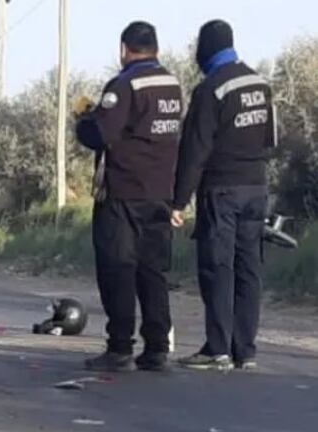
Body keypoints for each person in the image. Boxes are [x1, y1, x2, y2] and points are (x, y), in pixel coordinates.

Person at [74, 21, 183, 372]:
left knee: (117, 269)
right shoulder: (172, 84)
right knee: (152, 271)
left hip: (123, 192)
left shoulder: (124, 85)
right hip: (160, 193)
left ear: (124, 49)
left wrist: (84, 118)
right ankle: (156, 347)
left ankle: (120, 346)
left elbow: (100, 134)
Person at [172, 20, 276, 372]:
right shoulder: (260, 84)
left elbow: (194, 150)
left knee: (218, 268)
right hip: (256, 188)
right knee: (249, 269)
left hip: (222, 190)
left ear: (206, 48)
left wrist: (178, 200)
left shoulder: (211, 89)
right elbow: (269, 139)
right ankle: (245, 350)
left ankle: (217, 348)